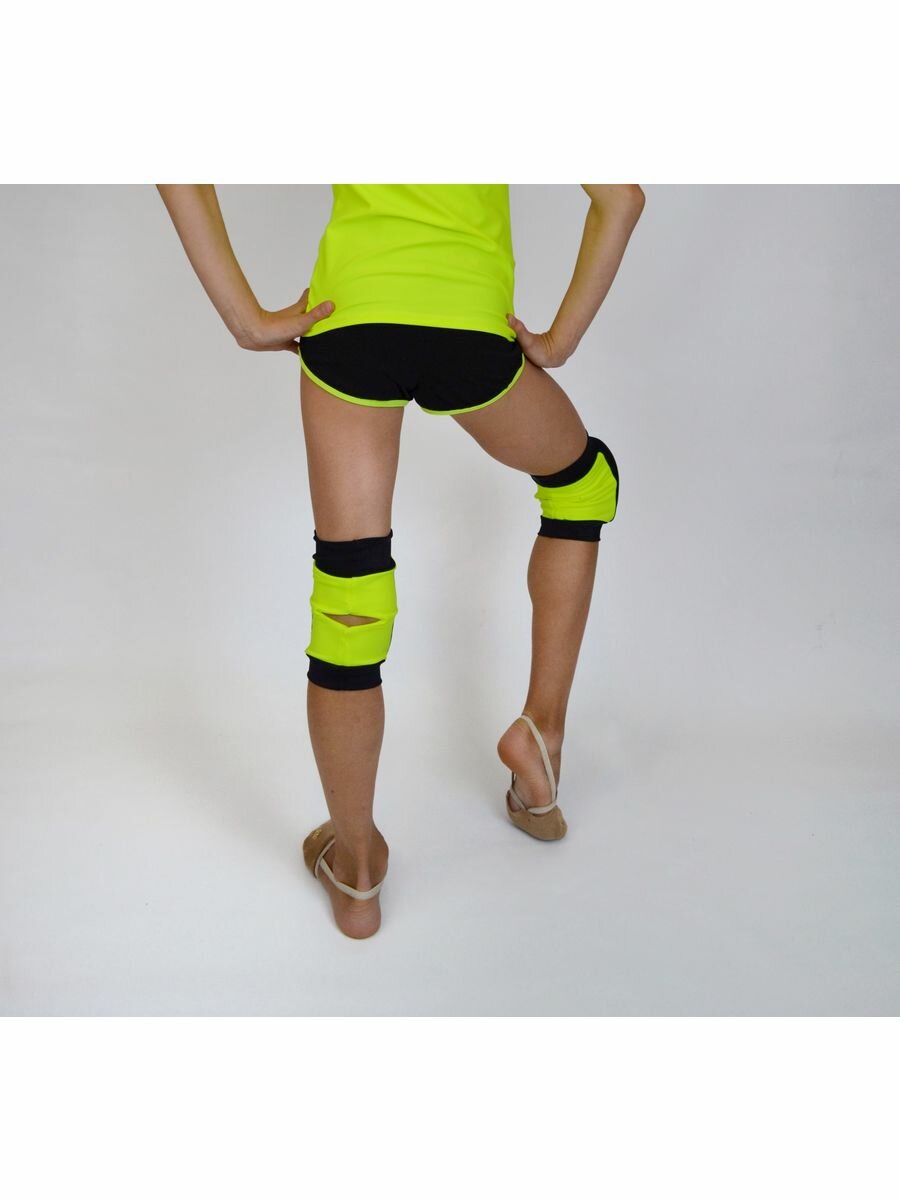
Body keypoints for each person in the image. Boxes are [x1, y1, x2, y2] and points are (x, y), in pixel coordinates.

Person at [157, 183, 645, 939]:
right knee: (584, 486)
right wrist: (557, 342)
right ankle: (541, 738)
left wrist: (245, 318)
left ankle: (356, 872)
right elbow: (622, 198)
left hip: (352, 320)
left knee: (350, 592)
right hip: (471, 330)